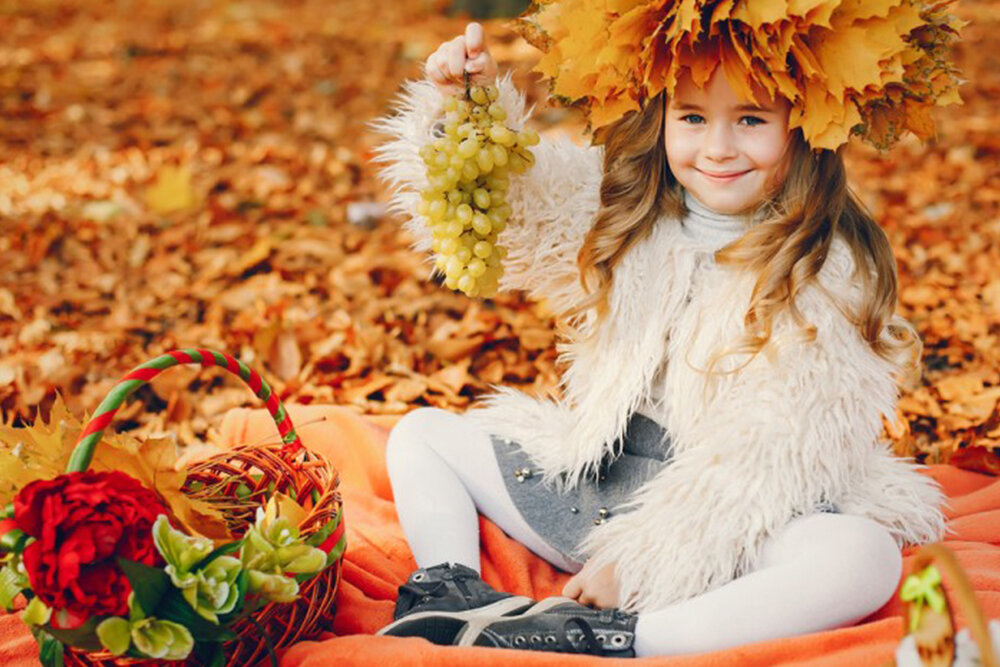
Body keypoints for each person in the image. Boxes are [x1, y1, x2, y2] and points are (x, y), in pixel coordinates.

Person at [366, 2, 962, 656]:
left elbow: (769, 453)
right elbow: (516, 211)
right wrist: (466, 108)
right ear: (663, 118)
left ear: (806, 126)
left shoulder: (824, 273)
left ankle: (623, 637)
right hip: (604, 482)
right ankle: (449, 591)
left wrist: (641, 561)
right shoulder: (630, 216)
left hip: (740, 513)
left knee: (860, 555)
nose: (717, 148)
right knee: (422, 435)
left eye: (752, 119)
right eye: (693, 117)